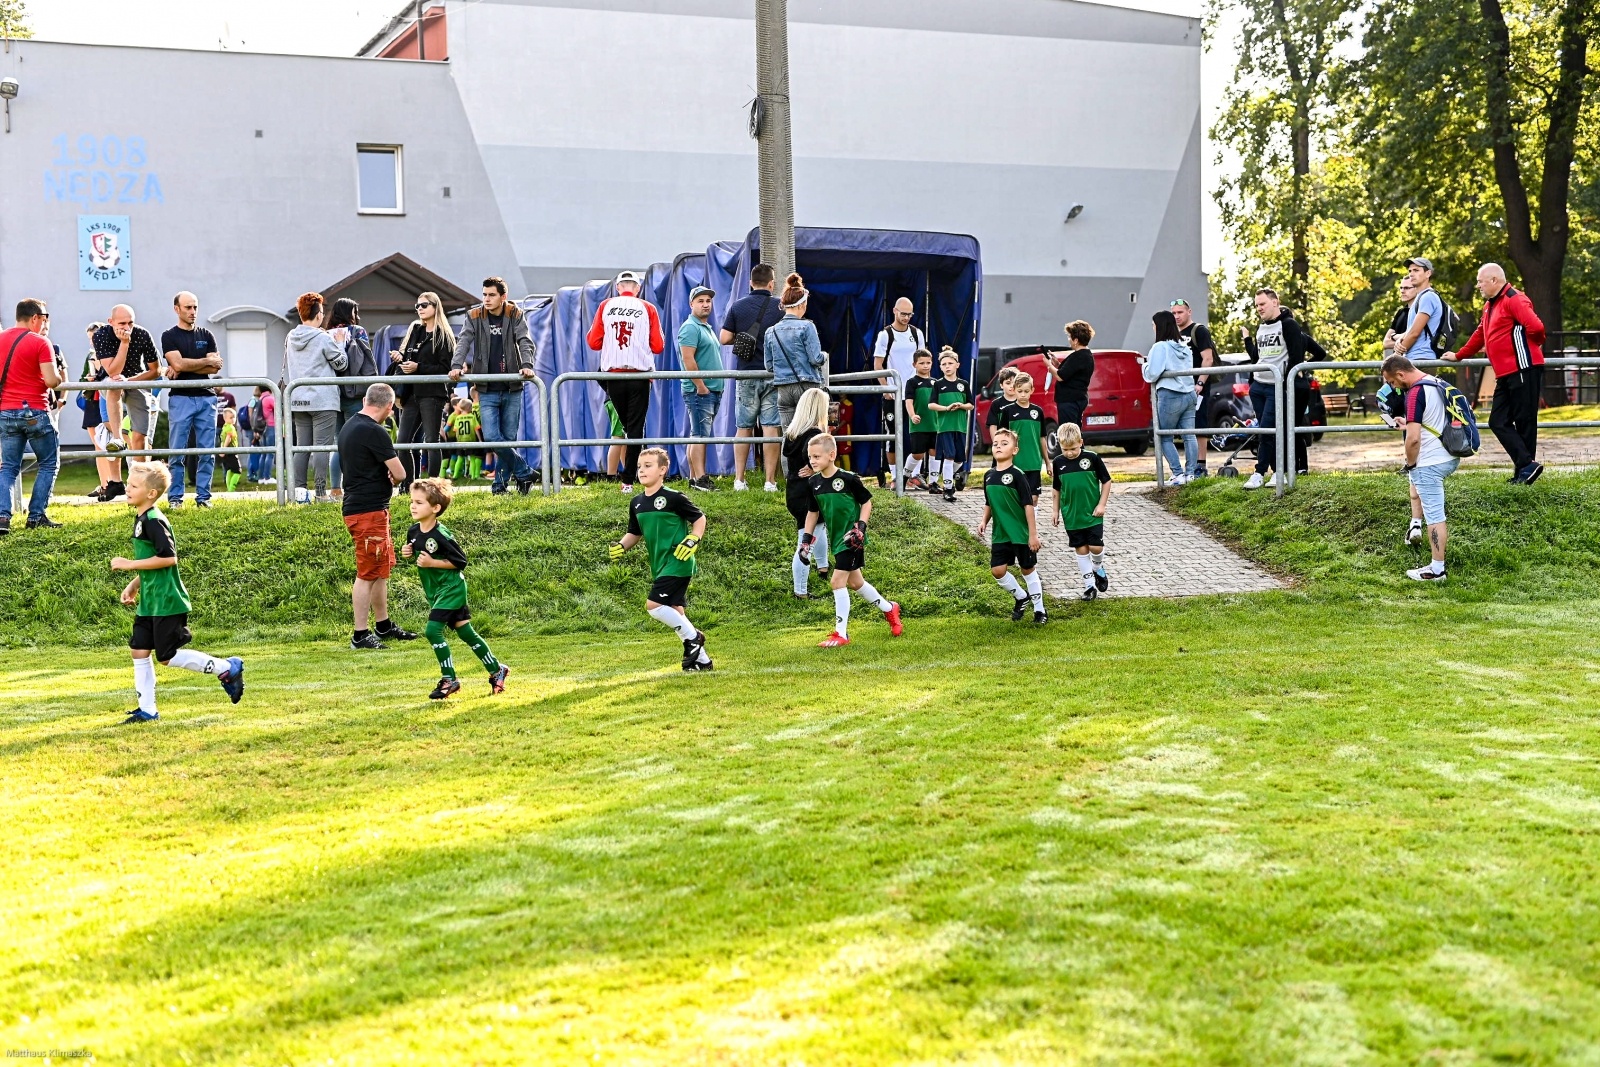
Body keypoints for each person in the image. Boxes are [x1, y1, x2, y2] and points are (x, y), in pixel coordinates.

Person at [110, 461, 245, 723]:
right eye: (128, 483)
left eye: (133, 486)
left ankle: (227, 668)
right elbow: (153, 559)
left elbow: (169, 558)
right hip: (150, 600)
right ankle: (148, 710)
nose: (127, 488)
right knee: (139, 650)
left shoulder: (154, 520)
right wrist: (134, 585)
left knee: (167, 657)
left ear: (150, 493)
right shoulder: (141, 518)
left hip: (167, 601)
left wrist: (129, 565)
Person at [401, 478, 511, 700]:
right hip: (436, 590)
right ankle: (497, 669)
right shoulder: (413, 531)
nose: (413, 506)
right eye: (412, 501)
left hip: (451, 588)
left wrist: (433, 563)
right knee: (465, 631)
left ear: (435, 508)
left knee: (433, 631)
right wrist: (408, 552)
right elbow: (417, 549)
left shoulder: (442, 535)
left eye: (419, 502)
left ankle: (449, 679)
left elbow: (460, 561)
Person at [608, 447, 713, 671]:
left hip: (678, 560)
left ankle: (693, 638)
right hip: (659, 564)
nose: (642, 470)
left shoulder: (674, 497)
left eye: (648, 466)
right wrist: (621, 546)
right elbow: (634, 532)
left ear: (663, 470)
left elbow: (699, 518)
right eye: (639, 467)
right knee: (676, 612)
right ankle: (702, 661)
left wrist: (693, 539)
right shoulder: (636, 502)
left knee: (654, 605)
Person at [1445, 262, 1547, 484]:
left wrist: (1532, 348)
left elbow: (1537, 328)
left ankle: (1524, 472)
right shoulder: (1490, 305)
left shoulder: (1514, 299)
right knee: (1498, 421)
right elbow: (1480, 332)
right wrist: (1459, 355)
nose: (1478, 285)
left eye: (1481, 281)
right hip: (1505, 373)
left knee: (1524, 421)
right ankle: (1527, 466)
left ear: (1494, 280)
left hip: (1523, 368)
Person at [798, 433, 903, 647]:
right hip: (835, 539)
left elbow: (866, 503)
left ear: (832, 454)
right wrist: (806, 541)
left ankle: (841, 634)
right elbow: (812, 513)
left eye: (817, 456)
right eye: (810, 457)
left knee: (837, 582)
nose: (813, 461)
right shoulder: (813, 483)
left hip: (851, 540)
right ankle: (889, 608)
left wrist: (861, 527)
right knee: (856, 583)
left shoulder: (848, 479)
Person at [336, 383, 418, 649]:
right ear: (389, 407)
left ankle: (382, 625)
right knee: (368, 572)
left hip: (363, 507)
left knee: (380, 569)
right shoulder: (375, 431)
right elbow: (401, 473)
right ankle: (360, 634)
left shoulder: (350, 425)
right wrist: (392, 475)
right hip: (367, 509)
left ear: (365, 400)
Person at [452, 277, 539, 496]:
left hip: (512, 386)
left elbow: (525, 341)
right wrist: (456, 365)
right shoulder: (474, 316)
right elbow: (463, 341)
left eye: (491, 295)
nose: (487, 299)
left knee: (508, 440)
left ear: (503, 296)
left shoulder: (515, 314)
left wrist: (527, 365)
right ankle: (524, 471)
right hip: (486, 387)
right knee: (492, 438)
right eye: (484, 294)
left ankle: (500, 486)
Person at [586, 270, 665, 492]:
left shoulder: (605, 306)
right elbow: (658, 345)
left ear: (618, 288)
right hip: (639, 375)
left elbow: (593, 341)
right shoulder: (648, 308)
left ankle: (637, 475)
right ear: (637, 289)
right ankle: (633, 479)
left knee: (628, 429)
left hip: (613, 375)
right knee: (635, 429)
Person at [1382, 355, 1458, 581]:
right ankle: (1436, 565)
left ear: (1401, 374)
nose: (1394, 387)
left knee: (1435, 516)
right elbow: (1432, 420)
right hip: (1448, 455)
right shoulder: (1436, 383)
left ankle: (1437, 570)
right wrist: (1408, 423)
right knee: (1432, 510)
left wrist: (1411, 464)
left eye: (1393, 382)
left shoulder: (1414, 393)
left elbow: (1413, 439)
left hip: (1429, 462)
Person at [1240, 288, 1325, 488]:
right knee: (1268, 430)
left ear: (1275, 302)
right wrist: (1246, 340)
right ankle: (1278, 472)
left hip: (1276, 387)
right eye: (1256, 305)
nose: (1259, 308)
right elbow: (1257, 357)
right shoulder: (1261, 328)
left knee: (1267, 430)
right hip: (1258, 386)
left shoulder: (1289, 325)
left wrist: (1290, 380)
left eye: (1262, 304)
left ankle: (1259, 472)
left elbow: (1297, 357)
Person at [0, 299, 63, 534]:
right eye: (44, 317)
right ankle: (36, 516)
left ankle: (2, 517)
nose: (45, 322)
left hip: (5, 412)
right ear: (35, 318)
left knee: (8, 467)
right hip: (35, 410)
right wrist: (58, 379)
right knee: (48, 463)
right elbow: (50, 381)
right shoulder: (40, 342)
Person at [720, 263, 785, 491]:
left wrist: (744, 337)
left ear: (750, 283)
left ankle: (739, 479)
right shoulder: (781, 306)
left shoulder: (738, 307)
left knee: (744, 427)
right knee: (770, 427)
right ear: (771, 283)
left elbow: (724, 338)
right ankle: (770, 481)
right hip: (772, 373)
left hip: (746, 373)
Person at [160, 291, 223, 508]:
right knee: (177, 452)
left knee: (207, 451)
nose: (193, 312)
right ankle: (175, 498)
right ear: (177, 309)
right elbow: (177, 365)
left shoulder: (207, 334)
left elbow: (215, 367)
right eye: (188, 307)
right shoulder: (169, 336)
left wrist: (190, 364)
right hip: (181, 398)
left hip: (207, 397)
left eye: (195, 307)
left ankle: (203, 498)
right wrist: (204, 361)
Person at [978, 428, 1046, 624]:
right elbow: (989, 502)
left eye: (1004, 443)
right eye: (995, 444)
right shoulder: (989, 475)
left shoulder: (1017, 475)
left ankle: (1040, 611)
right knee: (997, 570)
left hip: (1020, 533)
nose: (999, 446)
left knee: (1027, 570)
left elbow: (1028, 505)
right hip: (1001, 533)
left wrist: (1033, 535)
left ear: (1015, 450)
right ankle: (1021, 597)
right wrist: (984, 521)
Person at [284, 292, 347, 502]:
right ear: (318, 314)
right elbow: (341, 364)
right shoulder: (323, 338)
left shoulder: (291, 337)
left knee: (302, 447)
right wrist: (339, 344)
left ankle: (298, 492)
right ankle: (320, 493)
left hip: (298, 399)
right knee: (322, 447)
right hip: (323, 399)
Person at [394, 291, 456, 486]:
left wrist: (418, 367)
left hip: (432, 394)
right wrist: (400, 358)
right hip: (411, 393)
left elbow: (446, 368)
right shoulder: (416, 330)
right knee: (402, 443)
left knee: (431, 441)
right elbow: (409, 359)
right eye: (417, 306)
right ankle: (409, 486)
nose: (419, 308)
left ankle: (432, 485)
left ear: (435, 307)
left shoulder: (443, 335)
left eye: (424, 305)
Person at [764, 273, 829, 444]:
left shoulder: (771, 331)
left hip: (783, 389)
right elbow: (815, 359)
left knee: (789, 438)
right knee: (811, 436)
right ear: (802, 304)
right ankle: (809, 471)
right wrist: (825, 356)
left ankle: (791, 472)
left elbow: (769, 366)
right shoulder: (807, 326)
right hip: (806, 386)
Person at [1051, 423, 1113, 600]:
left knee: (1095, 546)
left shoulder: (1092, 458)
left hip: (1093, 513)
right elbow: (1056, 489)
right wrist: (1055, 511)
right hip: (1071, 515)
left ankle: (1097, 568)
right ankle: (1089, 587)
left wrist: (1101, 505)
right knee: (1081, 548)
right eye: (1065, 449)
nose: (1069, 453)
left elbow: (1107, 482)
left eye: (1073, 448)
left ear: (1081, 442)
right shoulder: (1058, 463)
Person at [782, 387, 833, 598]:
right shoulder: (814, 434)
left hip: (794, 490)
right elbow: (817, 459)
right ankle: (800, 591)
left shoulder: (792, 432)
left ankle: (823, 568)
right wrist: (814, 466)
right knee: (806, 540)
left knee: (818, 528)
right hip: (808, 492)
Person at [93, 304, 162, 458]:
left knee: (139, 438)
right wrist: (124, 344)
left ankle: (139, 479)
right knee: (115, 383)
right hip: (110, 381)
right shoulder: (101, 335)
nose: (127, 328)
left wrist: (129, 381)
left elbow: (155, 370)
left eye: (130, 323)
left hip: (135, 381)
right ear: (110, 321)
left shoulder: (142, 334)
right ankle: (117, 438)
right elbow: (113, 371)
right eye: (122, 323)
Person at [324, 298, 375, 495]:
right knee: (353, 442)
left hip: (332, 393)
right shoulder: (358, 331)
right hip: (354, 392)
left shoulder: (325, 335)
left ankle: (335, 488)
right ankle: (354, 487)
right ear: (350, 313)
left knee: (337, 443)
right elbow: (366, 359)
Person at [677, 285, 724, 491]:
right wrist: (700, 386)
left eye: (708, 301)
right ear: (691, 304)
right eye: (700, 301)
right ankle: (701, 480)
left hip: (711, 389)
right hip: (700, 391)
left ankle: (694, 478)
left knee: (698, 434)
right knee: (700, 436)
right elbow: (688, 359)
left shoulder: (706, 327)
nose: (705, 304)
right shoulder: (690, 327)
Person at [872, 298, 926, 476]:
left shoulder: (917, 333)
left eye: (909, 314)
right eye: (903, 314)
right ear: (894, 311)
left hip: (914, 393)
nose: (906, 318)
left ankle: (914, 474)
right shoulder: (885, 335)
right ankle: (895, 477)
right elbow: (877, 365)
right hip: (894, 393)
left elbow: (923, 362)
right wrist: (886, 388)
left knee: (918, 434)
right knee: (893, 435)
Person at [1144, 309, 1198, 484]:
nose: (1152, 328)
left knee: (1164, 436)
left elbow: (1152, 373)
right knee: (1189, 435)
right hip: (1189, 393)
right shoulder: (1184, 345)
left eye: (1153, 325)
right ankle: (1190, 474)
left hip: (1171, 394)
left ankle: (1178, 474)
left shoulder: (1160, 347)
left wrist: (1143, 366)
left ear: (1159, 326)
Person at [81, 322, 124, 501]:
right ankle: (105, 484)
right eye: (90, 339)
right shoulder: (90, 356)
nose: (93, 343)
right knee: (99, 446)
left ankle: (114, 482)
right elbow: (83, 380)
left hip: (108, 401)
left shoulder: (111, 353)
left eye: (95, 338)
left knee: (112, 441)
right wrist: (89, 379)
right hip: (93, 401)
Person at [1171, 301, 1216, 476]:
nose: (1177, 316)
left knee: (1199, 425)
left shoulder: (1199, 330)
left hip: (1197, 387)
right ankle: (1186, 467)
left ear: (1189, 311)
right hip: (1179, 387)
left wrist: (1200, 383)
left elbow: (1208, 359)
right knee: (1184, 427)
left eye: (1180, 312)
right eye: (1173, 313)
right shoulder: (1173, 333)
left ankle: (1201, 465)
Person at [926, 347, 973, 502]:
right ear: (940, 367)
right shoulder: (938, 385)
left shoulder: (963, 384)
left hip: (960, 426)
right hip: (945, 427)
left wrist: (961, 405)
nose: (947, 366)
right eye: (944, 364)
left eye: (950, 363)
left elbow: (971, 405)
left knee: (960, 459)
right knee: (949, 457)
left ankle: (947, 477)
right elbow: (931, 405)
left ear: (957, 365)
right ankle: (948, 489)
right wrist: (946, 408)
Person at [996, 371, 1046, 501]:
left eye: (1026, 391)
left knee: (1033, 498)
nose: (1023, 394)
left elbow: (1042, 438)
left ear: (1032, 390)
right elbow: (1001, 438)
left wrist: (1048, 462)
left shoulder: (1038, 411)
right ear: (1014, 390)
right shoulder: (1007, 411)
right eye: (1020, 391)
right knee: (1016, 497)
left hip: (1034, 462)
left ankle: (1032, 521)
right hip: (1015, 462)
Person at [899, 349, 938, 490]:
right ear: (914, 364)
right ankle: (904, 477)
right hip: (919, 425)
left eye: (928, 362)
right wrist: (912, 415)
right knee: (917, 454)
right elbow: (908, 401)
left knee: (934, 452)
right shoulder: (912, 382)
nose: (925, 366)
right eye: (922, 363)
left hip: (935, 424)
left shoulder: (936, 382)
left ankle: (933, 482)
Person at [1046, 320, 1096, 430]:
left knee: (1068, 431)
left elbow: (1060, 376)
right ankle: (1078, 447)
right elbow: (1070, 373)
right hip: (1077, 398)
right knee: (1075, 431)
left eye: (1070, 337)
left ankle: (1073, 448)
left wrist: (1048, 365)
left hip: (1070, 400)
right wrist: (1057, 364)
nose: (1069, 340)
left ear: (1076, 340)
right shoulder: (1085, 356)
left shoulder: (1079, 356)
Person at [445, 398, 483, 480]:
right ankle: (473, 476)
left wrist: (457, 439)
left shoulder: (458, 418)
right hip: (471, 440)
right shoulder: (472, 417)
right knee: (472, 458)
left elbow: (456, 430)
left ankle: (455, 475)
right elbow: (476, 429)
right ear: (470, 408)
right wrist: (479, 439)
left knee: (460, 458)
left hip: (460, 441)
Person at [1383, 277, 1418, 356]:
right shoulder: (1400, 312)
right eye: (1401, 288)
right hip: (1397, 363)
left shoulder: (1422, 312)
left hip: (1417, 360)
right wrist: (1403, 341)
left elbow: (1416, 337)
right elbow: (1385, 342)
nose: (1402, 291)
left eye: (1407, 288)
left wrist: (1394, 336)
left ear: (1417, 289)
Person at [250, 385, 277, 486]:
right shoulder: (270, 398)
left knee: (264, 453)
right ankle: (267, 477)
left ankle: (260, 477)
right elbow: (279, 409)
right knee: (270, 453)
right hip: (270, 427)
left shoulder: (260, 399)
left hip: (262, 429)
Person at [218, 408, 243, 492]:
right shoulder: (230, 428)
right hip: (231, 452)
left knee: (229, 470)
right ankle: (232, 489)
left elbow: (222, 439)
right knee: (238, 471)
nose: (233, 419)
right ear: (225, 418)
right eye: (231, 418)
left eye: (234, 417)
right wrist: (224, 449)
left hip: (226, 452)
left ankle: (229, 488)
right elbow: (228, 438)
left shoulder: (224, 427)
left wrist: (222, 450)